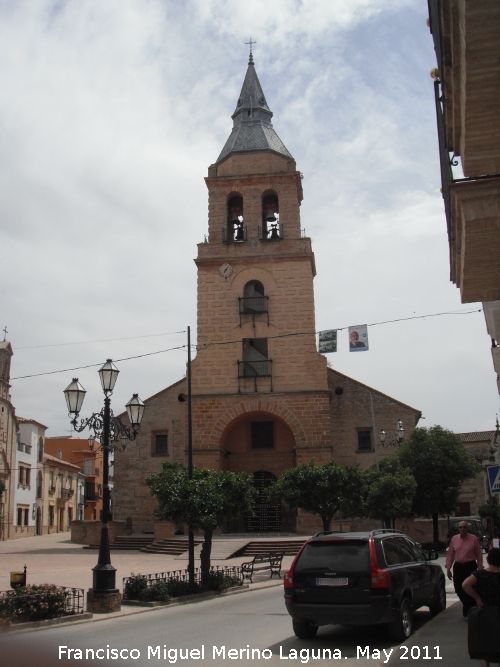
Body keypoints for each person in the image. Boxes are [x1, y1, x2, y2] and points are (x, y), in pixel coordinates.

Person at [462, 547, 500, 667]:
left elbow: (465, 585)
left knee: (484, 645)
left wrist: (477, 598)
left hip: (485, 612)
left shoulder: (480, 575)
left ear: (487, 559)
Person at [446, 520, 483, 617]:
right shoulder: (454, 539)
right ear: (458, 529)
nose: (462, 529)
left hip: (470, 566)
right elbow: (450, 554)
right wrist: (448, 568)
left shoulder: (473, 539)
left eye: (464, 527)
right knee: (459, 589)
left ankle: (468, 610)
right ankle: (469, 606)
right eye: (460, 527)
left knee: (470, 587)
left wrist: (480, 569)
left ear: (468, 528)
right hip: (458, 566)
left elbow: (479, 555)